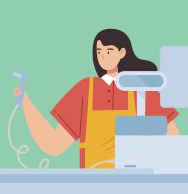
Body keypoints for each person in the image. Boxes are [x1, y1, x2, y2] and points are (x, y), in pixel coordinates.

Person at [16, 29, 179, 169]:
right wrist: (26, 103)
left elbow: (173, 142)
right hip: (92, 181)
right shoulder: (85, 89)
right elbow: (54, 144)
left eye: (108, 51)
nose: (102, 56)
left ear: (122, 53)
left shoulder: (142, 89)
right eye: (98, 51)